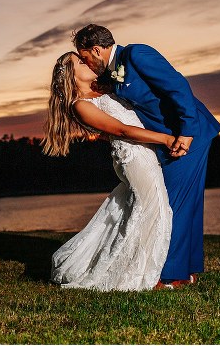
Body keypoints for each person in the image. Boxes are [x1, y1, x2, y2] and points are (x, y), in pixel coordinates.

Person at [73, 24, 220, 288]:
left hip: (189, 134)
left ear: (96, 50)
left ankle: (170, 276)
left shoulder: (137, 55)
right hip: (167, 140)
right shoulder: (112, 74)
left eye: (85, 57)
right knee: (182, 201)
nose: (86, 63)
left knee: (174, 203)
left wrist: (187, 132)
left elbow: (178, 87)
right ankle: (186, 271)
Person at [43, 51, 179, 291]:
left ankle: (146, 272)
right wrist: (166, 139)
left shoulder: (103, 91)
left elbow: (109, 131)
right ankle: (139, 278)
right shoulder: (81, 105)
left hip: (141, 152)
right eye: (79, 62)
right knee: (152, 210)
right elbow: (122, 131)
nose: (86, 62)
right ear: (71, 75)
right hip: (133, 157)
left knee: (145, 211)